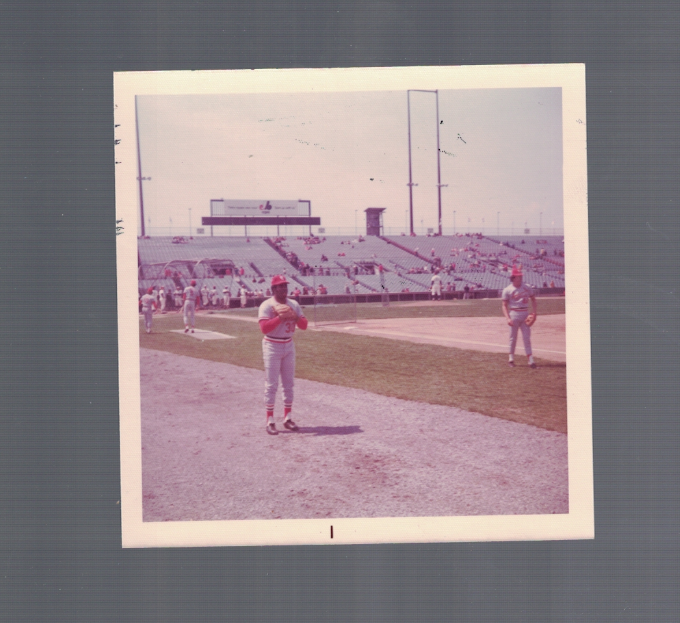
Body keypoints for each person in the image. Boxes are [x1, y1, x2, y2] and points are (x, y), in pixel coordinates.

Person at [258, 275, 308, 435]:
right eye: (280, 286)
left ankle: (288, 418)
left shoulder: (293, 304)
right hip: (272, 345)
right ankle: (270, 420)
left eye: (285, 286)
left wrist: (295, 316)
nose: (284, 289)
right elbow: (264, 328)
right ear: (273, 289)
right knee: (272, 385)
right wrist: (280, 318)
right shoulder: (267, 305)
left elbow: (304, 326)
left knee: (288, 384)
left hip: (288, 344)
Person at [501, 266, 538, 368]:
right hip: (514, 314)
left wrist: (534, 312)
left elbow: (533, 299)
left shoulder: (526, 287)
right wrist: (508, 318)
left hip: (525, 313)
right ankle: (511, 359)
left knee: (527, 338)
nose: (520, 278)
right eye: (518, 276)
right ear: (513, 277)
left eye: (521, 276)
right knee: (513, 337)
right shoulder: (507, 290)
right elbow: (504, 305)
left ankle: (531, 360)